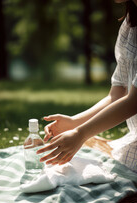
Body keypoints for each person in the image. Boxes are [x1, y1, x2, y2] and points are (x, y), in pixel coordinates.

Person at [37, 0, 137, 173]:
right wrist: (75, 123)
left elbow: (133, 102)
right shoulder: (130, 25)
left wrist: (80, 133)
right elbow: (118, 93)